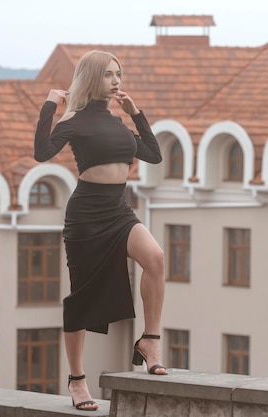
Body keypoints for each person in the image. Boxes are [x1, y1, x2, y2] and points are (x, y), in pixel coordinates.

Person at [34, 50, 167, 412]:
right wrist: (50, 107)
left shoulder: (119, 123)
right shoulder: (74, 120)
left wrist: (135, 114)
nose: (117, 81)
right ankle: (77, 380)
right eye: (110, 74)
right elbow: (41, 152)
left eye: (119, 74)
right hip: (86, 216)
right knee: (82, 298)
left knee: (155, 258)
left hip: (118, 209)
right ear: (93, 78)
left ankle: (150, 341)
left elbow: (153, 155)